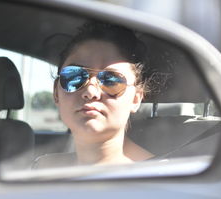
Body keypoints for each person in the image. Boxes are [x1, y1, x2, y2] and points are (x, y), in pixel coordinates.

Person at [33, 21, 154, 169]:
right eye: (74, 77)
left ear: (136, 99)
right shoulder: (43, 169)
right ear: (56, 93)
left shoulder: (163, 176)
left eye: (111, 80)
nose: (90, 92)